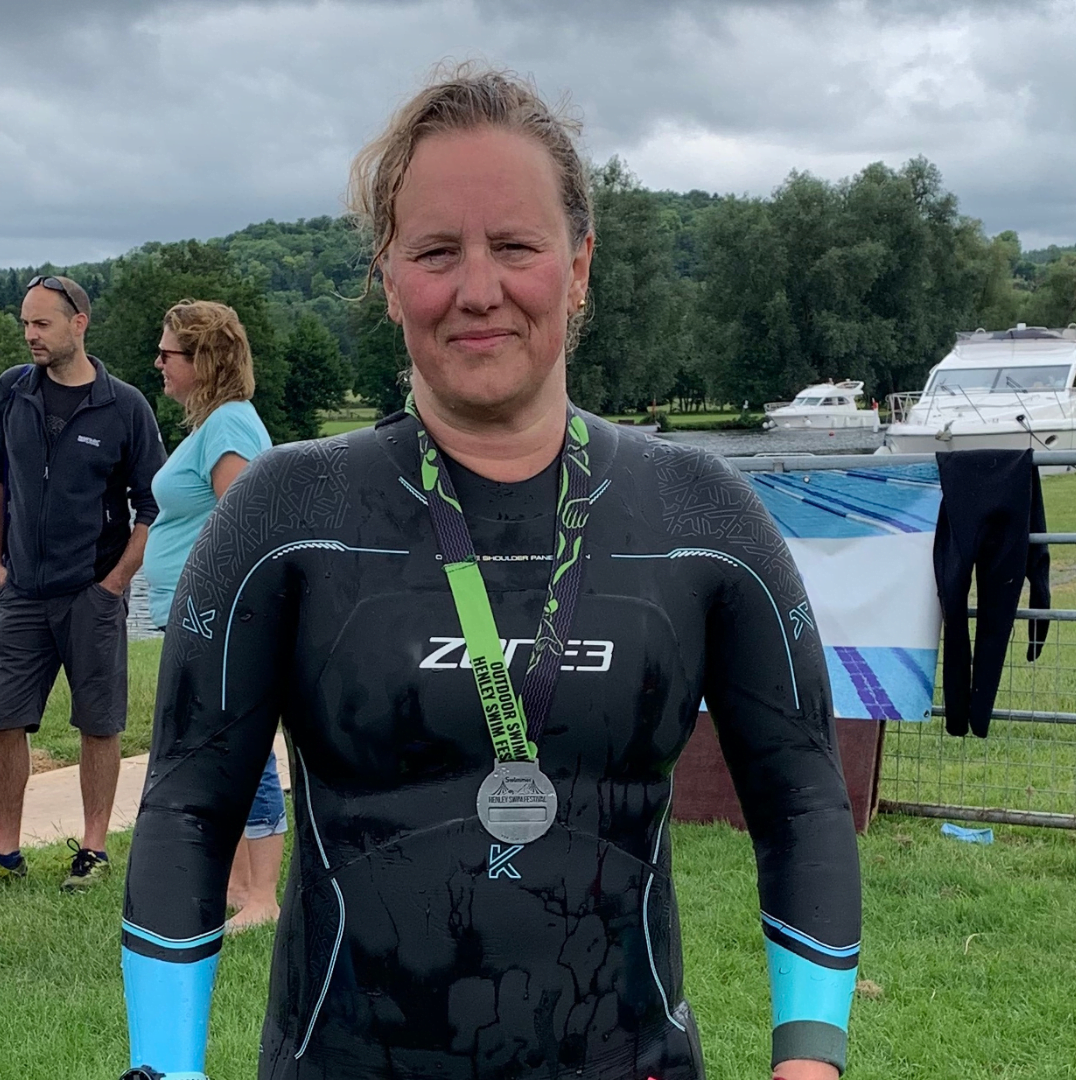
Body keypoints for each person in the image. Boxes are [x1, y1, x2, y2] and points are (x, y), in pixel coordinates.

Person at [119, 68, 860, 1080]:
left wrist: (809, 1060)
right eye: (436, 252)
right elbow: (188, 810)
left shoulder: (702, 516)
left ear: (579, 266)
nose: (477, 289)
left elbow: (803, 800)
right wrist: (166, 1068)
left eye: (515, 246)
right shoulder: (286, 515)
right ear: (389, 278)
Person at [0, 274, 165, 890]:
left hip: (92, 592)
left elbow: (153, 504)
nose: (30, 335)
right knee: (4, 719)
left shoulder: (123, 406)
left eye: (41, 323)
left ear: (79, 324)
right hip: (21, 593)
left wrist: (116, 582)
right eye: (25, 323)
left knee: (99, 723)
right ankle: (6, 851)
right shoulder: (12, 392)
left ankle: (93, 851)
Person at [141, 299, 282, 930]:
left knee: (242, 746)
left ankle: (263, 896)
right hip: (194, 616)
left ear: (204, 360)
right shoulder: (214, 426)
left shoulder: (228, 426)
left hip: (216, 618)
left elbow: (243, 528)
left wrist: (219, 611)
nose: (159, 363)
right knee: (212, 745)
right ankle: (235, 884)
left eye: (167, 353)